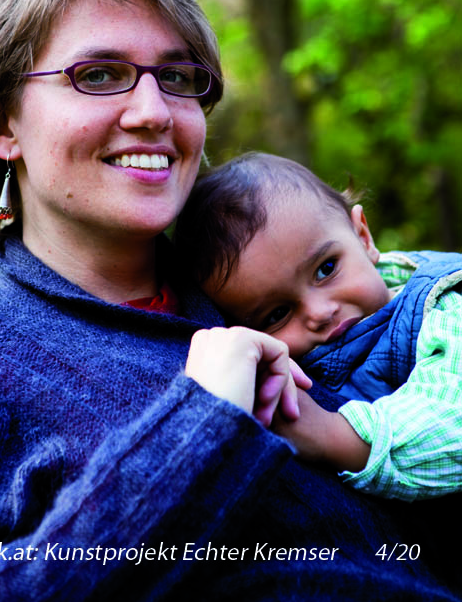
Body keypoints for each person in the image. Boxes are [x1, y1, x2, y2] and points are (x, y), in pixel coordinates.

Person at [0, 0, 460, 602]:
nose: (154, 112)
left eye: (176, 78)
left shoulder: (274, 295)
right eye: (97, 75)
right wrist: (198, 428)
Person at [174, 151, 462, 501]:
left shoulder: (442, 306)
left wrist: (332, 434)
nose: (320, 313)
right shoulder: (285, 376)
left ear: (363, 237)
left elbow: (453, 422)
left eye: (326, 269)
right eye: (277, 314)